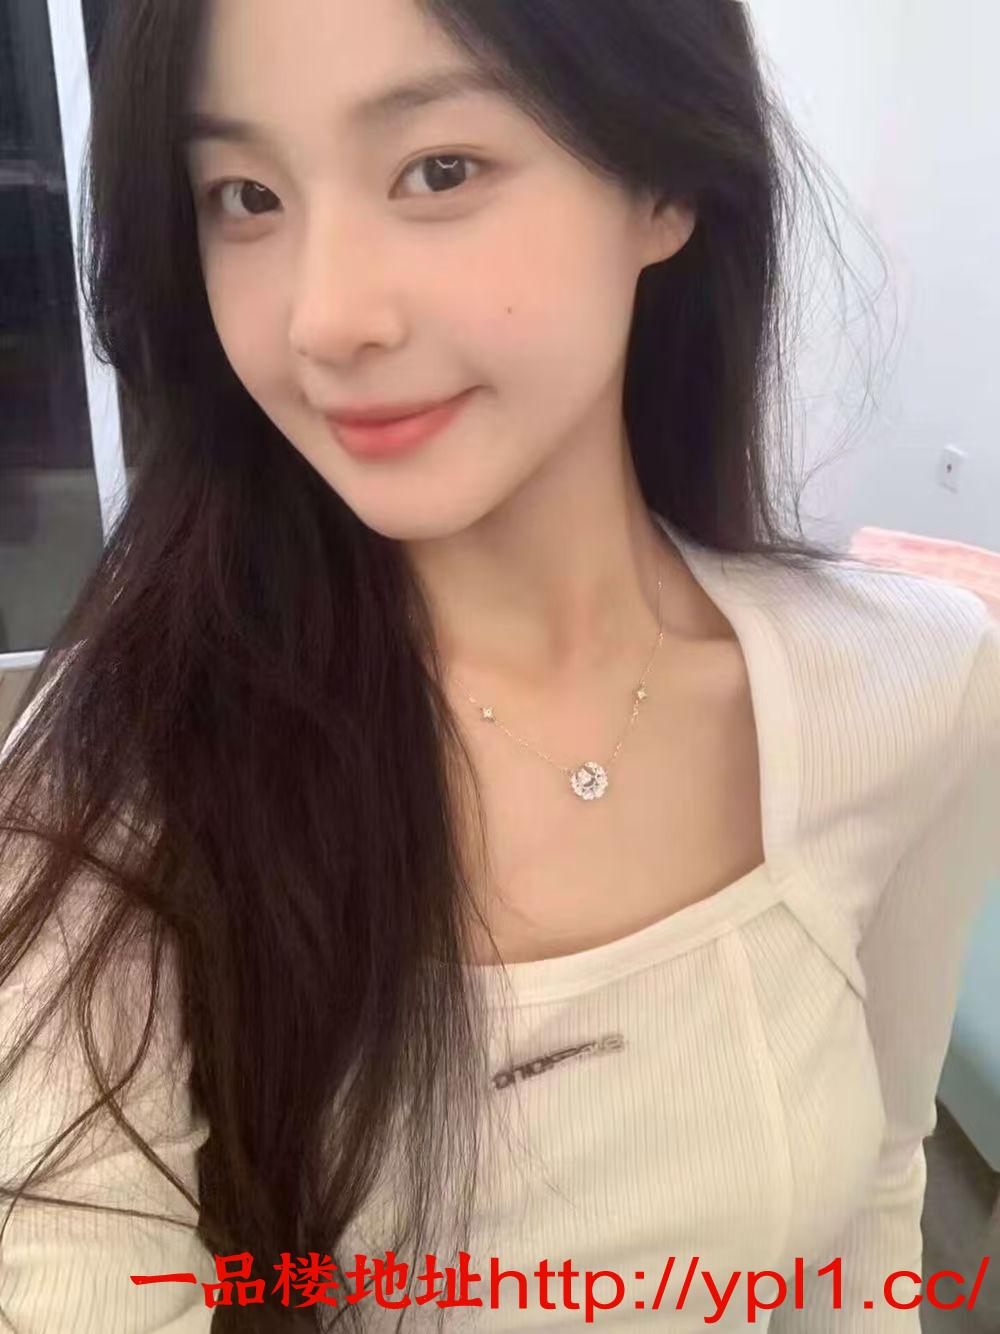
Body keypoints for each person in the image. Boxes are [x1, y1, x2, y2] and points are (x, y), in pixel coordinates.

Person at [0, 1, 997, 1330]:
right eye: (247, 196)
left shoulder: (913, 686)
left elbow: (876, 1190)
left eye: (440, 170)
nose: (326, 318)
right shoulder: (113, 781)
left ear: (664, 184)